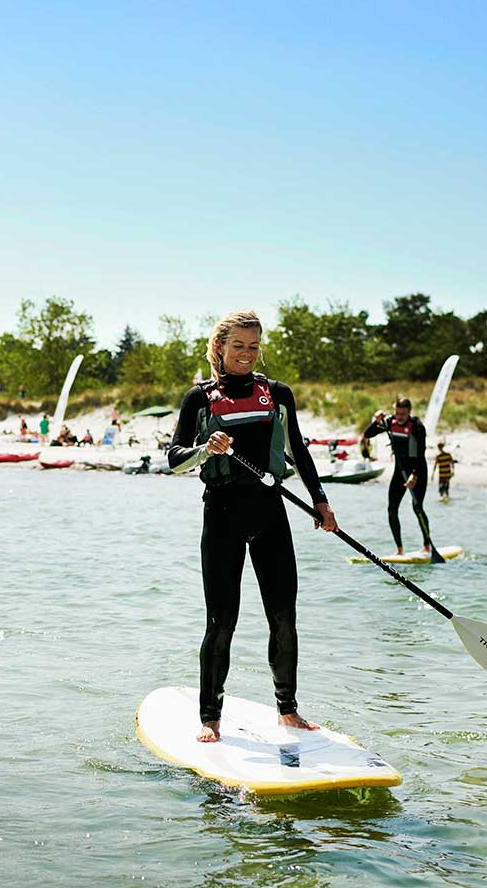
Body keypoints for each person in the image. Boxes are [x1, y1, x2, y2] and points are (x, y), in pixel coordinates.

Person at [166, 309, 335, 744]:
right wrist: (206, 448)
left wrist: (320, 501)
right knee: (222, 621)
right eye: (238, 345)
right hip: (221, 515)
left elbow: (298, 449)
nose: (246, 353)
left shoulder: (276, 393)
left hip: (270, 513)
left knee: (284, 618)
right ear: (220, 348)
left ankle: (288, 711)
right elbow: (174, 459)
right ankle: (210, 717)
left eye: (254, 346)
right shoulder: (199, 398)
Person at [364, 397, 434, 557]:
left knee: (417, 508)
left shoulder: (417, 426)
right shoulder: (390, 423)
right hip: (400, 471)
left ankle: (427, 546)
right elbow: (368, 434)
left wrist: (414, 475)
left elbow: (421, 452)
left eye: (403, 413)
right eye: (397, 412)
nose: (400, 416)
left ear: (409, 412)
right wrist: (377, 421)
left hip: (418, 471)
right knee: (392, 509)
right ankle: (400, 550)